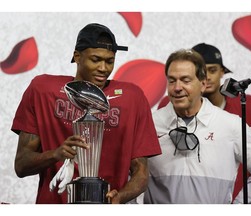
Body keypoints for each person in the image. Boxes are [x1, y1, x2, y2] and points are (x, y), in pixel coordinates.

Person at [11, 23, 161, 204]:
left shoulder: (132, 97)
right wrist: (56, 154)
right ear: (77, 56)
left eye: (109, 61)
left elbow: (141, 172)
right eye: (96, 59)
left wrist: (120, 197)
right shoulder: (43, 90)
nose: (103, 68)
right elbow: (21, 165)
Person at [143, 48, 251, 204]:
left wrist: (240, 206)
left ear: (202, 84)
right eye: (172, 80)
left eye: (185, 80)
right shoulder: (149, 124)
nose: (177, 87)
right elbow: (130, 173)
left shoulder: (230, 124)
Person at [192, 43, 251, 200]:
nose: (207, 77)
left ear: (222, 71)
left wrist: (244, 199)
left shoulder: (249, 106)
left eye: (212, 70)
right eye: (201, 71)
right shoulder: (172, 106)